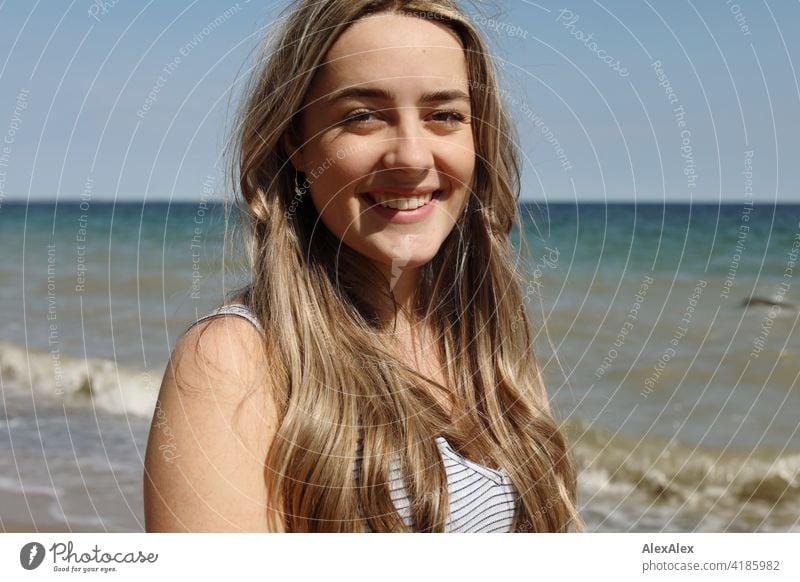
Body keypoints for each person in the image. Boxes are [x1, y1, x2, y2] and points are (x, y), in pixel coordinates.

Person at [143, 0, 583, 533]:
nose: (412, 157)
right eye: (362, 116)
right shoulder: (234, 361)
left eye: (444, 115)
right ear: (296, 143)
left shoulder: (483, 346)